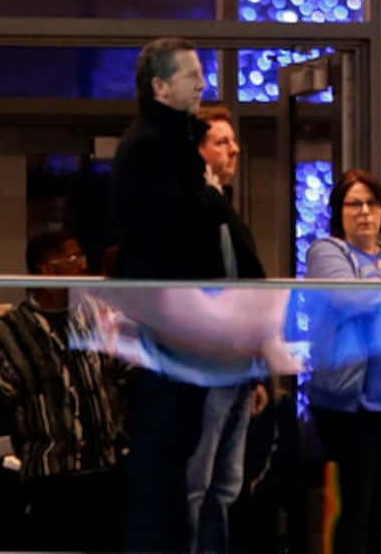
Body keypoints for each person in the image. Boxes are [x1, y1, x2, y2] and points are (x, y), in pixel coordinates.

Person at [111, 38, 264, 553]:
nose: (201, 83)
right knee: (173, 467)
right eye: (190, 75)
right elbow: (178, 226)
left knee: (192, 467)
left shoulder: (171, 142)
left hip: (195, 330)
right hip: (173, 326)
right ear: (159, 86)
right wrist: (207, 199)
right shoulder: (156, 147)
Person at [0, 231, 126, 551]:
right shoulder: (10, 329)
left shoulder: (97, 314)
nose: (84, 265)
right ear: (47, 270)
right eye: (74, 258)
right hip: (50, 473)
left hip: (105, 466)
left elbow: (128, 364)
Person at [305, 167, 381, 554]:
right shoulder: (327, 251)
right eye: (353, 203)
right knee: (356, 512)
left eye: (371, 203)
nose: (364, 212)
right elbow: (347, 298)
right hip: (353, 405)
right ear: (339, 211)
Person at [186, 106, 268, 554]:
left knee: (226, 484)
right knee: (196, 482)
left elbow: (245, 289)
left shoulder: (226, 208)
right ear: (197, 151)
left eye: (233, 141)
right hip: (204, 363)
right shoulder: (189, 207)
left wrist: (256, 370)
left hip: (238, 366)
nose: (234, 149)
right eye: (222, 142)